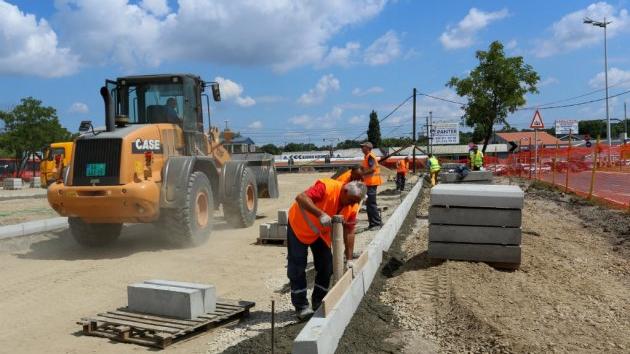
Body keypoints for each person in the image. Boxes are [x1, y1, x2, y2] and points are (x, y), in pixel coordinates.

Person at [287, 179, 367, 320]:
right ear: (345, 191)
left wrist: (349, 259)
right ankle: (301, 307)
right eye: (351, 200)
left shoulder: (351, 206)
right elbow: (301, 197)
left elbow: (349, 231)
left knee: (327, 265)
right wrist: (320, 214)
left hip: (319, 233)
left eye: (356, 202)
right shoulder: (327, 187)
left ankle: (319, 301)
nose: (352, 204)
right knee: (297, 266)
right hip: (299, 226)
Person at [360, 141, 382, 229]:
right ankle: (372, 224)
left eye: (363, 147)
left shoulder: (370, 156)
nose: (361, 148)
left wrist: (362, 174)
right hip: (369, 183)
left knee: (371, 204)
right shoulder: (366, 157)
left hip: (372, 183)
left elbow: (372, 169)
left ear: (368, 148)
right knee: (369, 204)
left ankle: (377, 223)